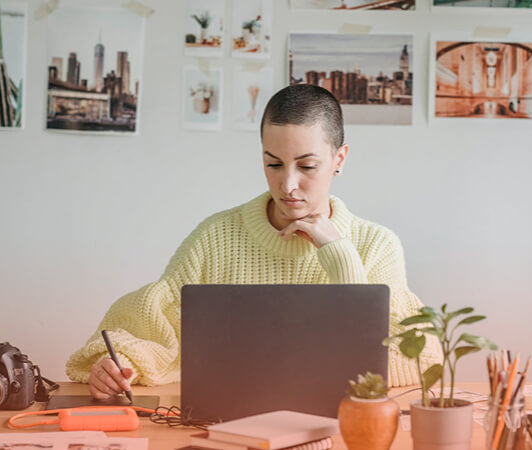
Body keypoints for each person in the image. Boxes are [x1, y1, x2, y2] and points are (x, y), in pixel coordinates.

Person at [66, 84, 443, 400]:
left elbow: (411, 360)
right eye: (274, 164)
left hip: (339, 426)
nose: (288, 184)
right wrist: (114, 365)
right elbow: (155, 326)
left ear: (339, 159)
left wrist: (338, 251)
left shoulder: (376, 244)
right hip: (224, 425)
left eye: (307, 166)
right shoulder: (216, 237)